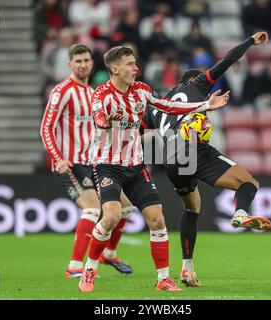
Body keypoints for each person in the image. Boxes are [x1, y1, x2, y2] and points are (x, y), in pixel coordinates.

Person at [78, 46, 231, 293]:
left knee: (157, 219)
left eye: (135, 63)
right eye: (129, 64)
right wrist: (106, 122)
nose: (135, 68)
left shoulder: (142, 91)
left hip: (136, 166)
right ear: (114, 69)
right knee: (111, 216)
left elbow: (168, 106)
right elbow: (98, 119)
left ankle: (163, 279)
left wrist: (205, 105)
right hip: (108, 166)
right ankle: (89, 269)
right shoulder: (102, 96)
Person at [140, 32, 271, 287]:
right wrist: (250, 41)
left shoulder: (157, 105)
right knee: (249, 184)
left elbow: (138, 133)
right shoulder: (197, 85)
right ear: (193, 80)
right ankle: (241, 212)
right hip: (192, 149)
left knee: (191, 208)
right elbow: (226, 60)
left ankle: (187, 269)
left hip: (169, 158)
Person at [40, 44, 133, 279]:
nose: (82, 64)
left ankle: (109, 253)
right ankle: (74, 266)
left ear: (92, 63)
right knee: (92, 209)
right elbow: (46, 128)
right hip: (70, 163)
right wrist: (58, 158)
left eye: (86, 60)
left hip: (95, 162)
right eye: (77, 61)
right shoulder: (62, 91)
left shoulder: (93, 93)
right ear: (70, 64)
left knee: (126, 207)